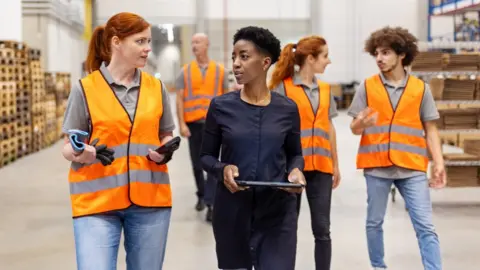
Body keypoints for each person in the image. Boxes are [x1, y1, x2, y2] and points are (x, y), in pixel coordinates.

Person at [61, 12, 175, 270]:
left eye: (149, 42)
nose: (148, 49)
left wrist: (165, 150)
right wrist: (83, 153)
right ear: (116, 42)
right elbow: (68, 146)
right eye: (140, 41)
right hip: (97, 205)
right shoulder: (85, 88)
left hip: (150, 202)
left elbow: (166, 132)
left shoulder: (156, 88)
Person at [200, 26, 306, 270]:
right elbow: (206, 156)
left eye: (244, 57)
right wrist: (222, 169)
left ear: (265, 62)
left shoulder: (287, 109)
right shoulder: (220, 107)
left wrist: (296, 171)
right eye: (234, 57)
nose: (236, 64)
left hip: (277, 213)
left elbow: (295, 154)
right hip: (232, 212)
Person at [348, 26, 445, 270]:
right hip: (377, 167)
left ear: (402, 55)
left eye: (386, 52)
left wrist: (439, 163)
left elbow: (431, 129)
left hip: (412, 168)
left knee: (425, 225)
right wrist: (361, 123)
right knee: (374, 223)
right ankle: (378, 267)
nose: (379, 58)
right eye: (377, 53)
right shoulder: (367, 87)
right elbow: (354, 128)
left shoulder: (420, 89)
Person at [269, 35, 340, 270]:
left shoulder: (327, 89)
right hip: (292, 168)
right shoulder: (284, 87)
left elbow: (329, 127)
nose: (328, 61)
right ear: (311, 58)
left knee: (322, 229)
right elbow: (273, 127)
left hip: (321, 168)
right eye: (325, 56)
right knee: (287, 228)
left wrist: (336, 165)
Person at [175, 33, 230, 221]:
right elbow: (180, 98)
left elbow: (227, 98)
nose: (194, 45)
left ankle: (210, 203)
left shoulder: (220, 71)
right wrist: (181, 123)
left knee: (213, 164)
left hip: (214, 125)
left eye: (197, 42)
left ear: (207, 44)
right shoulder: (185, 71)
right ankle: (201, 194)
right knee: (197, 164)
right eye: (192, 42)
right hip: (193, 125)